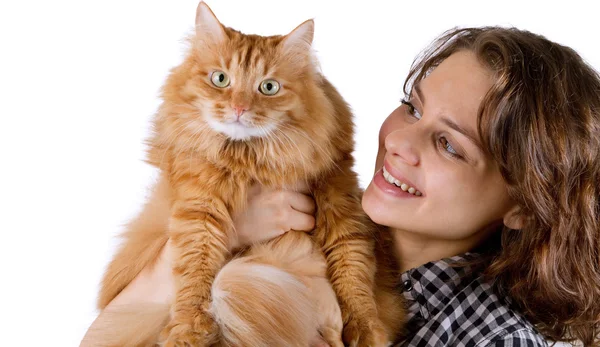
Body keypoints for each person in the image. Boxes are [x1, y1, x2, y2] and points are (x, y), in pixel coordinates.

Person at [82, 27, 600, 346]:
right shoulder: (298, 209)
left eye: (449, 144)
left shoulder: (496, 340)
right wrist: (217, 233)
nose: (399, 142)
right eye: (412, 107)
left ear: (524, 206)